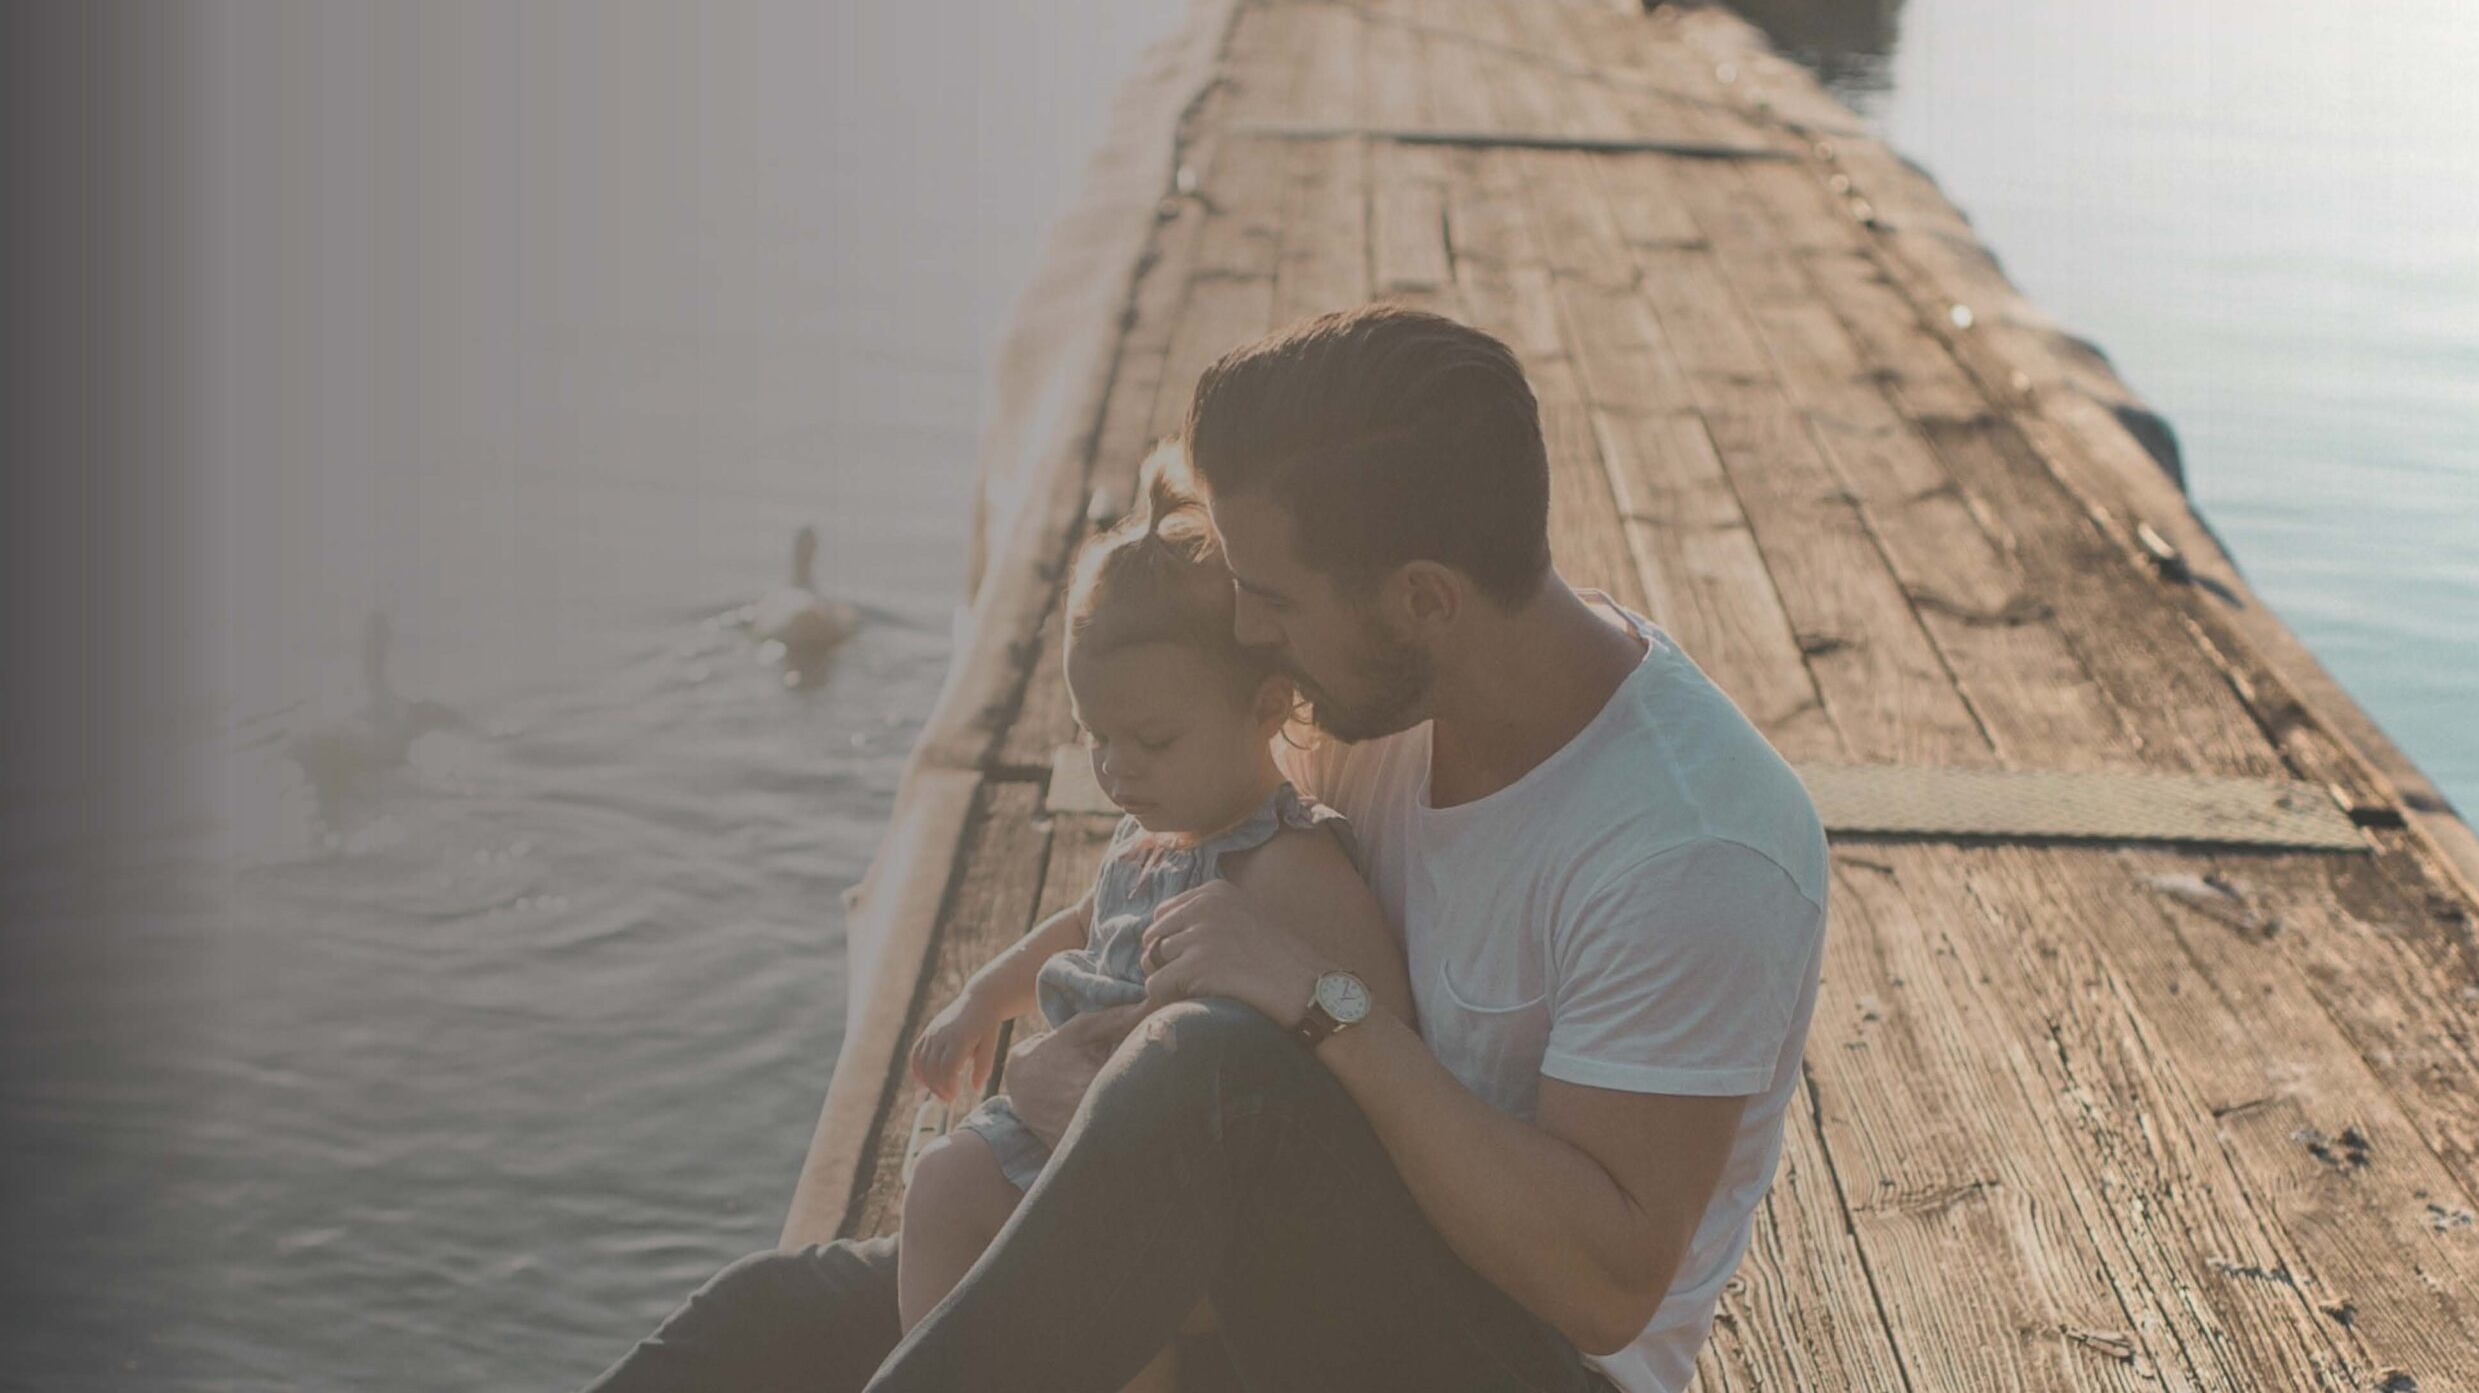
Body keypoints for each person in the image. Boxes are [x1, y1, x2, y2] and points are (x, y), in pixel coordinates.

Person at [581, 303, 1829, 1393]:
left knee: (1210, 1071)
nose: (1245, 629)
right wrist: (1090, 1082)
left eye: (1273, 599)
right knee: (773, 1327)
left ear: (1424, 600)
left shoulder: (1692, 849)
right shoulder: (1370, 700)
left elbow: (1601, 1288)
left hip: (1507, 1360)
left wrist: (1323, 1014)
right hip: (1258, 1265)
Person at [895, 443, 1416, 1391]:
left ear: (1267, 706)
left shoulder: (1288, 862)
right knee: (938, 1188)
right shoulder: (1149, 846)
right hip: (1081, 1146)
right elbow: (1075, 928)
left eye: (1152, 740)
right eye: (1096, 738)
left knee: (968, 1207)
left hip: (1190, 1192)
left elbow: (1379, 1038)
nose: (1117, 771)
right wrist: (982, 997)